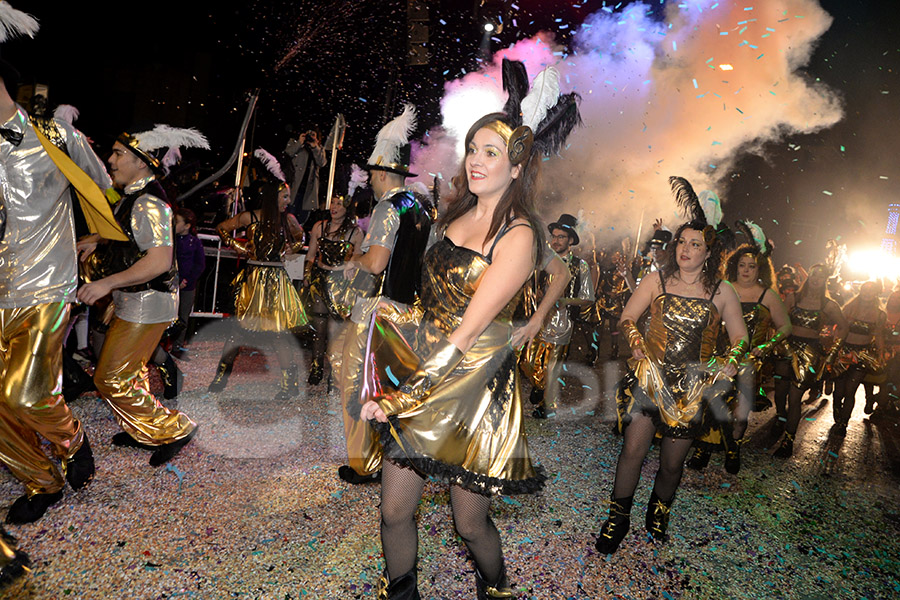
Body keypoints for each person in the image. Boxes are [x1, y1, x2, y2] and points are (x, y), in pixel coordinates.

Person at [359, 58, 580, 598]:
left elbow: (464, 334)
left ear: (516, 167)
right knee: (393, 511)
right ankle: (402, 591)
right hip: (425, 364)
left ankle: (496, 586)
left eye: (492, 153)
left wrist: (396, 396)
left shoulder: (522, 236)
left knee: (469, 522)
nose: (477, 161)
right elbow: (431, 300)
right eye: (473, 149)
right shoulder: (453, 212)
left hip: (474, 385)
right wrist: (392, 322)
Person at [596, 177, 749, 555]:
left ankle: (659, 512)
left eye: (695, 244)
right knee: (633, 450)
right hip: (651, 381)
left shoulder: (722, 292)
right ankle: (618, 516)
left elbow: (742, 338)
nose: (685, 249)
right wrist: (635, 344)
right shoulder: (656, 280)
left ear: (709, 252)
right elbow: (628, 318)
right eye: (682, 241)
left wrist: (730, 362)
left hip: (693, 391)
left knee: (671, 464)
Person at [0, 5, 103, 523]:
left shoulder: (54, 137)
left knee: (25, 392)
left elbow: (102, 189)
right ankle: (39, 481)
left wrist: (94, 236)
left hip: (45, 285)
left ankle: (71, 437)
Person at [77, 125, 204, 466]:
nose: (110, 159)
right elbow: (127, 236)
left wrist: (106, 283)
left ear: (142, 163)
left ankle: (174, 428)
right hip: (138, 300)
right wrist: (97, 241)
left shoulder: (148, 203)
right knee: (130, 374)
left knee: (109, 378)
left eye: (119, 154)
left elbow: (159, 260)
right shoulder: (135, 197)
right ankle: (143, 430)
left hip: (148, 303)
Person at [336, 103, 434, 486]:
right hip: (408, 311)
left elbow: (376, 262)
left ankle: (366, 464)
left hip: (377, 311)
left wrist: (353, 258)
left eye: (372, 176)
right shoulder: (421, 208)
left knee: (357, 386)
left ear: (379, 174)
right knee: (391, 387)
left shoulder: (388, 206)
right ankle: (398, 457)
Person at [688, 239, 792, 473]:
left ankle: (733, 448)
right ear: (735, 265)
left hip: (750, 361)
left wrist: (767, 346)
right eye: (742, 265)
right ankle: (703, 448)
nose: (746, 270)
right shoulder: (723, 288)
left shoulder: (768, 295)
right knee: (711, 403)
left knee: (741, 415)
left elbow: (786, 327)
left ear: (760, 269)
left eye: (751, 266)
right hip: (718, 358)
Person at [208, 180, 308, 399]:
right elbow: (222, 228)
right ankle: (220, 376)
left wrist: (295, 246)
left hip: (276, 281)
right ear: (273, 197)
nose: (288, 201)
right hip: (253, 281)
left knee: (280, 335)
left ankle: (289, 385)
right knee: (237, 332)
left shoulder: (288, 220)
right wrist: (241, 247)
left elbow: (301, 236)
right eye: (285, 196)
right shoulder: (249, 217)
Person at [520, 213, 593, 418]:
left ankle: (548, 407)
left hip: (562, 324)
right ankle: (539, 384)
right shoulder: (542, 261)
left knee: (552, 369)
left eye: (561, 237)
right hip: (537, 321)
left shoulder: (580, 266)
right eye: (554, 236)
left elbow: (588, 298)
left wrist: (564, 301)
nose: (556, 240)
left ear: (570, 240)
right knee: (527, 362)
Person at [771, 263, 848, 457]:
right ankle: (780, 417)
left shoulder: (829, 305)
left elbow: (844, 327)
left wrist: (833, 351)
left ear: (825, 281)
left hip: (809, 352)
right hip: (786, 348)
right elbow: (778, 318)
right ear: (808, 276)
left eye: (821, 277)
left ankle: (788, 441)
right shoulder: (793, 297)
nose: (816, 279)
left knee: (795, 397)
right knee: (780, 393)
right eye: (814, 275)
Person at [302, 192, 363, 385]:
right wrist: (307, 276)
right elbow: (310, 254)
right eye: (333, 203)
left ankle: (334, 373)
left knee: (335, 331)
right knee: (318, 328)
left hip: (341, 285)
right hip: (321, 280)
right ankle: (316, 368)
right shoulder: (319, 227)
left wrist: (351, 264)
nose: (334, 207)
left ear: (347, 208)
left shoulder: (355, 232)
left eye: (339, 204)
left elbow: (359, 258)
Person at [830, 281, 885, 435]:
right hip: (843, 352)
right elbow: (839, 327)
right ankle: (836, 407)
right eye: (865, 290)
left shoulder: (880, 314)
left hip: (862, 355)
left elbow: (879, 335)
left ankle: (844, 423)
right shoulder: (849, 308)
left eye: (871, 290)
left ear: (876, 293)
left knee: (850, 390)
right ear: (860, 291)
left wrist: (880, 354)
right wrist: (834, 348)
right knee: (839, 390)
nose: (867, 293)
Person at [171, 208, 206, 357]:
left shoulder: (195, 243)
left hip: (187, 286)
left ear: (187, 225)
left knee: (183, 317)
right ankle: (161, 344)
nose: (173, 224)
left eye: (176, 222)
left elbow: (200, 265)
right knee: (167, 316)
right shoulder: (171, 240)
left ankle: (177, 346)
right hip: (171, 283)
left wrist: (187, 280)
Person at [285, 126, 327, 222]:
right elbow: (288, 153)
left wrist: (315, 146)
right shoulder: (295, 143)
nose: (310, 137)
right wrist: (299, 142)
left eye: (313, 135)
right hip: (293, 187)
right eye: (308, 134)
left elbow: (322, 162)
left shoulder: (318, 149)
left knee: (301, 220)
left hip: (308, 191)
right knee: (288, 217)